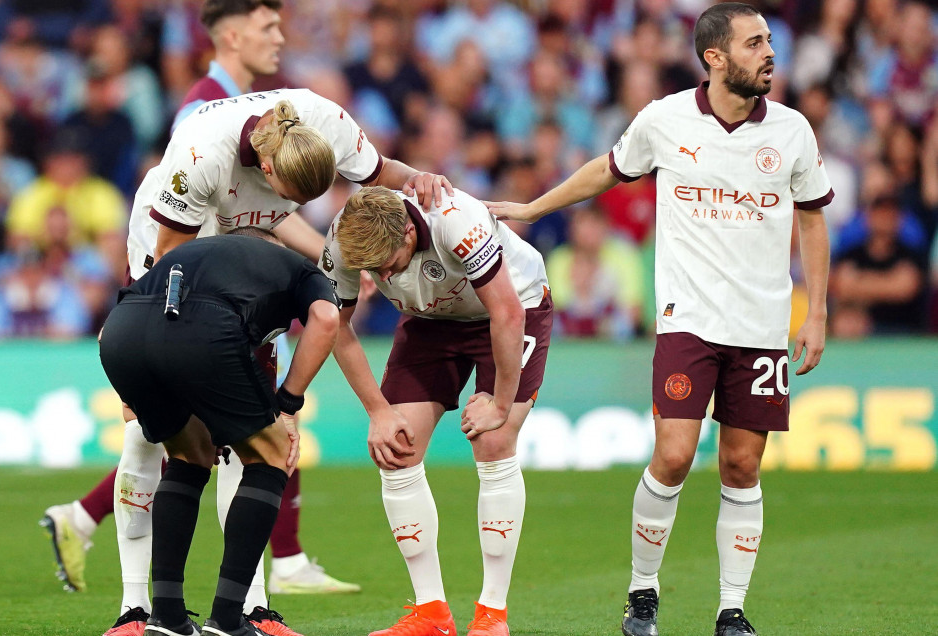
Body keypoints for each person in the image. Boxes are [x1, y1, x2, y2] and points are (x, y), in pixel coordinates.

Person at [46, 79, 451, 636]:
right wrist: (285, 402)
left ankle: (219, 613)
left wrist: (420, 179)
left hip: (192, 296)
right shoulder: (199, 158)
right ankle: (141, 610)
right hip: (165, 265)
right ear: (265, 170)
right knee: (189, 440)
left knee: (200, 453)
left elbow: (379, 174)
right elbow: (170, 263)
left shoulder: (320, 122)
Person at [487, 4, 833, 635]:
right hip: (688, 320)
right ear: (716, 58)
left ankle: (731, 611)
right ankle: (643, 593)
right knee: (673, 456)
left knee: (742, 466)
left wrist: (818, 312)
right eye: (754, 43)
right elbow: (608, 169)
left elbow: (812, 215)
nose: (770, 53)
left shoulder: (792, 132)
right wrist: (535, 209)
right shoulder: (666, 118)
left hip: (761, 326)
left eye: (770, 41)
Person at [322, 186, 552, 636]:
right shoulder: (344, 239)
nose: (383, 275)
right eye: (375, 270)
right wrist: (377, 411)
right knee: (396, 446)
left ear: (410, 230)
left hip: (512, 304)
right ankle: (431, 614)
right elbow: (334, 325)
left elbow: (505, 311)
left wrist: (500, 402)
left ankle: (492, 616)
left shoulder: (455, 220)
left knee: (493, 439)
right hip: (429, 319)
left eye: (389, 263)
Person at [98, 229, 341, 636]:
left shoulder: (193, 254)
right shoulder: (294, 267)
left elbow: (110, 332)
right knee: (271, 455)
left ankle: (167, 618)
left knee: (188, 456)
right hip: (201, 331)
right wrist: (287, 405)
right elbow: (327, 319)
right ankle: (230, 619)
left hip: (122, 333)